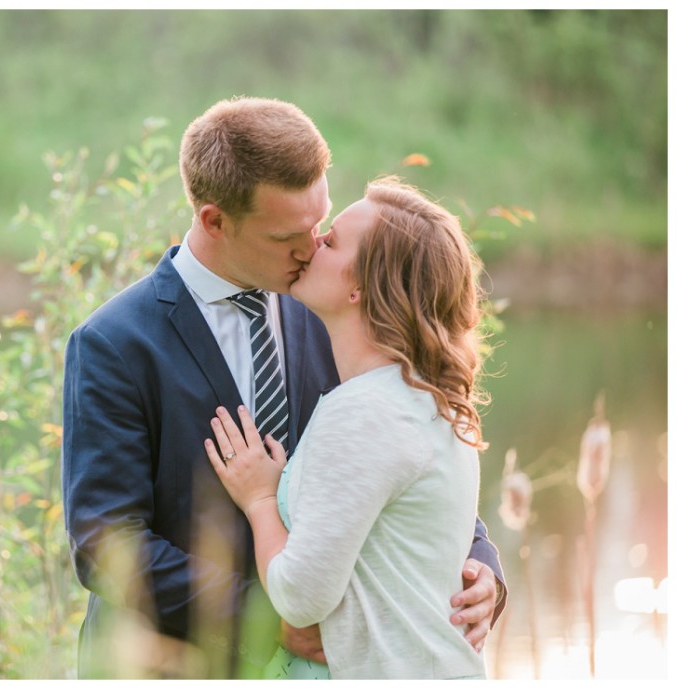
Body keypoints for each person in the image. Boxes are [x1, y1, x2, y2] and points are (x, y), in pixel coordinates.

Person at [61, 97, 506, 679]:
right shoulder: (114, 343)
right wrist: (263, 614)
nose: (311, 246)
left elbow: (403, 451)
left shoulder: (342, 313)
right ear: (215, 220)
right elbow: (105, 544)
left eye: (319, 223)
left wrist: (480, 564)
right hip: (175, 665)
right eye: (286, 236)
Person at [206, 176, 492, 679]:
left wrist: (258, 500)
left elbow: (300, 598)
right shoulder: (430, 398)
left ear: (361, 286)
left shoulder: (363, 411)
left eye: (332, 240)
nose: (312, 244)